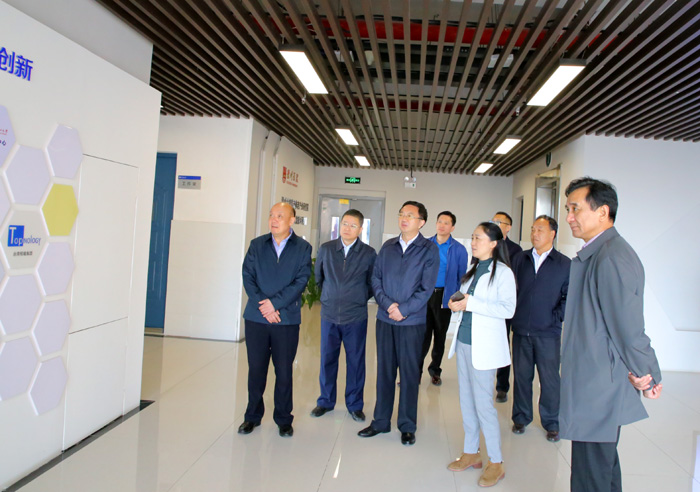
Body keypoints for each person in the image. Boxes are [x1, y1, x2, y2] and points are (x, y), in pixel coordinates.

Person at [561, 177, 662, 492]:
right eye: (567, 209)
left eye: (575, 209)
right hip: (593, 379)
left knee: (591, 474)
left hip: (598, 385)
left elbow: (628, 327)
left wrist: (648, 374)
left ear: (602, 212)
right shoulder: (599, 253)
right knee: (601, 466)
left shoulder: (611, 257)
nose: (569, 217)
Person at [358, 200, 439, 446]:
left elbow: (426, 289)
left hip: (412, 323)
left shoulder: (429, 250)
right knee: (384, 371)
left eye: (410, 215)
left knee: (409, 374)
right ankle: (381, 421)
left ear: (421, 222)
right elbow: (376, 279)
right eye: (401, 214)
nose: (404, 218)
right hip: (385, 319)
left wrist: (402, 310)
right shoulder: (388, 246)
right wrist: (388, 306)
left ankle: (407, 425)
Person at [446, 221, 516, 488]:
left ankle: (496, 462)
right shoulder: (474, 270)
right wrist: (457, 303)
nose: (473, 243)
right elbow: (468, 301)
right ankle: (471, 452)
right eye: (473, 238)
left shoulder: (503, 273)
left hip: (484, 348)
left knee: (484, 405)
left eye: (478, 238)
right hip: (464, 342)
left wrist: (471, 303)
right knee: (466, 400)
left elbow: (508, 309)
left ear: (493, 244)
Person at [239, 202, 312, 438]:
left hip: (286, 319)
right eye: (271, 215)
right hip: (257, 318)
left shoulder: (303, 248)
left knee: (284, 371)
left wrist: (275, 304)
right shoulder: (257, 245)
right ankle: (252, 416)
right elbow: (248, 276)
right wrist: (264, 305)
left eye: (280, 216)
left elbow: (300, 281)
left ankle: (283, 418)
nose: (274, 219)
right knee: (256, 370)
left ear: (291, 220)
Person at [311, 209, 377, 422]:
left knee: (356, 362)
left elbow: (372, 283)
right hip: (329, 315)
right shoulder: (327, 249)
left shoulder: (369, 253)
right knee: (327, 359)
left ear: (360, 229)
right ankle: (325, 401)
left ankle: (355, 405)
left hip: (355, 316)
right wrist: (330, 296)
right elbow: (318, 278)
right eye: (345, 224)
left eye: (353, 225)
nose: (347, 228)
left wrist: (357, 297)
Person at [510, 215, 570, 443]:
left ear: (552, 234)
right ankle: (521, 417)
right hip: (521, 330)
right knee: (522, 377)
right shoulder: (520, 259)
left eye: (540, 230)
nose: (534, 234)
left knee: (550, 379)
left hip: (548, 333)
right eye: (533, 229)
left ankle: (552, 422)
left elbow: (568, 297)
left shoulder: (564, 264)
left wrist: (555, 318)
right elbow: (511, 290)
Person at [420, 211, 469, 386]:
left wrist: (455, 299)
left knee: (440, 336)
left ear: (452, 227)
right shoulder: (425, 245)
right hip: (425, 295)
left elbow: (462, 277)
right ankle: (415, 372)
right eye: (439, 221)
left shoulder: (459, 249)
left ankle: (435, 370)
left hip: (444, 296)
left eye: (446, 223)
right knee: (422, 336)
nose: (442, 225)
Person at [491, 211, 522, 403]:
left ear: (508, 227)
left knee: (502, 345)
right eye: (493, 220)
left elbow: (516, 279)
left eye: (499, 222)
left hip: (503, 305)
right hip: (485, 303)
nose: (494, 223)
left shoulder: (515, 250)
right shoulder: (486, 243)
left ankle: (502, 386)